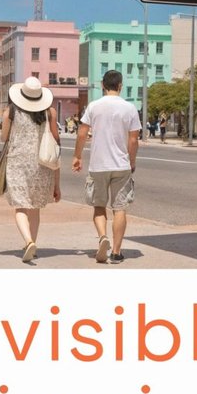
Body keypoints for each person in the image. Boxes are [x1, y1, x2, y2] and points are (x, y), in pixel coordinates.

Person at [72, 70, 141, 264]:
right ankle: (117, 252)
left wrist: (77, 156)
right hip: (121, 165)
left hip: (98, 164)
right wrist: (132, 161)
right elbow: (134, 139)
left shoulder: (94, 106)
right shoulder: (130, 108)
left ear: (103, 85)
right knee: (120, 208)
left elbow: (81, 133)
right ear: (120, 85)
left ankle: (103, 237)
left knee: (99, 205)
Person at [0, 78, 61, 263]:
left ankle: (27, 241)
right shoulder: (50, 112)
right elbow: (56, 141)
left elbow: (4, 137)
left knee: (20, 206)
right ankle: (33, 245)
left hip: (17, 162)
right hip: (42, 164)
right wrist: (57, 183)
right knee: (35, 208)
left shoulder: (10, 111)